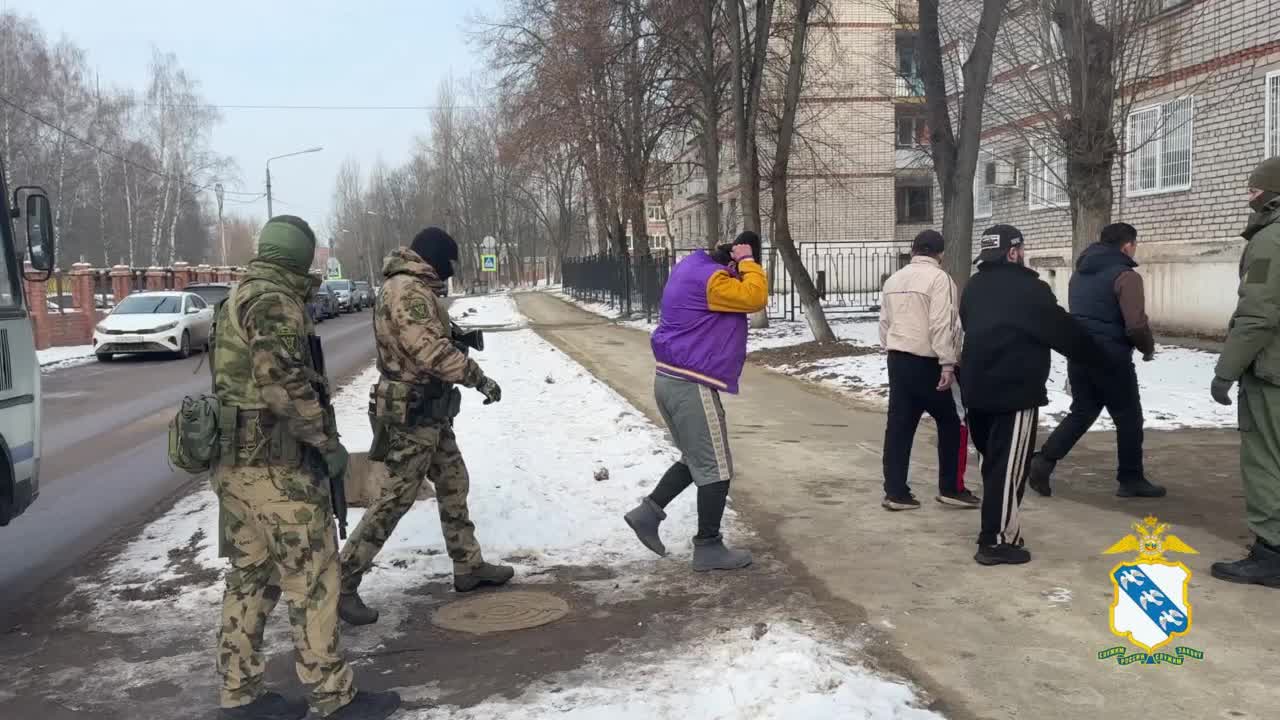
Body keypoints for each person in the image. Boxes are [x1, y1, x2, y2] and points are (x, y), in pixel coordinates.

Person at [210, 215, 400, 720]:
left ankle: (239, 693)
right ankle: (333, 698)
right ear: (299, 255)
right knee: (313, 579)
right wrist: (328, 444)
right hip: (278, 469)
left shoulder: (241, 293)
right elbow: (284, 386)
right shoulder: (273, 300)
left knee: (251, 576)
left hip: (236, 466)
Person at [338, 227, 511, 626]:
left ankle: (468, 566)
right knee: (393, 501)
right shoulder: (408, 291)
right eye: (448, 265)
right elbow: (428, 351)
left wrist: (455, 336)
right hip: (411, 415)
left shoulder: (412, 288)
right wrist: (477, 376)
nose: (450, 274)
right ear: (434, 260)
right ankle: (342, 582)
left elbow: (425, 341)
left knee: (453, 480)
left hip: (429, 411)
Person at [959, 224, 1106, 566]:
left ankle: (999, 529)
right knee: (1008, 469)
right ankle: (996, 542)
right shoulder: (1030, 289)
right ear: (1014, 252)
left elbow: (969, 324)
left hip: (976, 389)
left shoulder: (974, 286)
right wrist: (1101, 359)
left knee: (991, 463)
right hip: (1015, 391)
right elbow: (1064, 332)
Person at [623, 231, 768, 571]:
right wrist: (748, 263)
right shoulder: (712, 280)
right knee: (717, 467)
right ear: (732, 263)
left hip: (671, 380)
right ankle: (708, 546)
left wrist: (741, 263)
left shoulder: (692, 267)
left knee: (697, 459)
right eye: (741, 267)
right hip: (691, 385)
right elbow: (754, 296)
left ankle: (648, 513)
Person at [1027, 223, 1165, 498]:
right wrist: (1147, 348)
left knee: (1084, 410)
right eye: (1134, 245)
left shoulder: (1080, 274)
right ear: (1127, 245)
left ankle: (1044, 461)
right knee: (1128, 418)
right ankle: (1130, 478)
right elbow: (1136, 325)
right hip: (1111, 357)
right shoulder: (1126, 276)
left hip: (1080, 354)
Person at [1209, 155, 1280, 587]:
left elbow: (1258, 314)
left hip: (1272, 372)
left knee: (1265, 458)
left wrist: (1226, 371)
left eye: (1255, 189)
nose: (1249, 196)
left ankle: (1270, 552)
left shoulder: (1271, 240)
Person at [879, 229, 977, 510]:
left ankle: (896, 492)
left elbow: (884, 322)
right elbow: (942, 323)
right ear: (941, 254)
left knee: (899, 425)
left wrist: (893, 348)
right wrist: (948, 362)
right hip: (930, 361)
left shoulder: (894, 279)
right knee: (954, 422)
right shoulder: (940, 279)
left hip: (898, 359)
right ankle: (951, 488)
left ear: (913, 251)